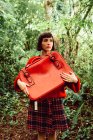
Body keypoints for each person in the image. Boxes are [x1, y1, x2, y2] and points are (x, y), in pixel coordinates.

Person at [14, 32, 81, 140]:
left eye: (51, 40)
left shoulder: (57, 60)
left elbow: (68, 77)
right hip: (38, 100)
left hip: (54, 100)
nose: (49, 43)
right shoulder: (33, 60)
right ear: (40, 43)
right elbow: (22, 75)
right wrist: (19, 82)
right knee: (40, 132)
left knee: (52, 133)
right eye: (45, 40)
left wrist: (75, 80)